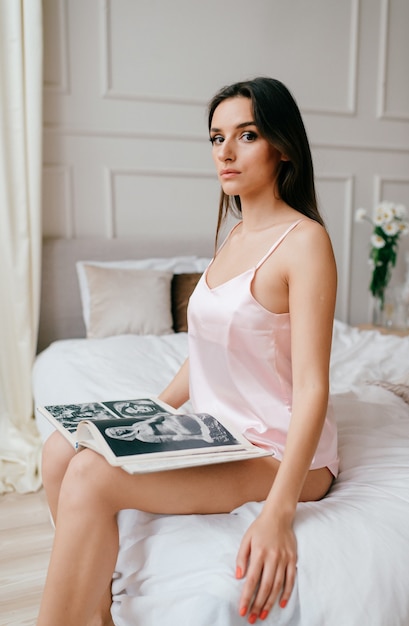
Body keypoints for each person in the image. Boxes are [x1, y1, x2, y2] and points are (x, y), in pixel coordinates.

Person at [37, 76, 338, 626]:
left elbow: (314, 385)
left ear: (283, 146)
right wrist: (144, 417)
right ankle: (94, 610)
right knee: (61, 450)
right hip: (217, 430)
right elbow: (206, 352)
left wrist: (278, 512)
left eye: (245, 135)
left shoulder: (305, 242)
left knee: (88, 475)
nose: (224, 152)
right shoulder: (232, 237)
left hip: (274, 448)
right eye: (215, 137)